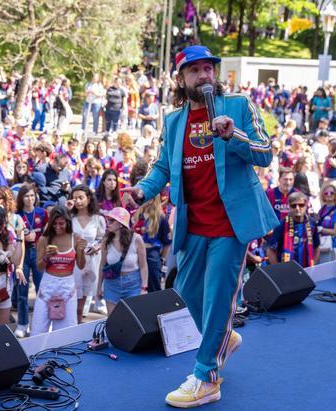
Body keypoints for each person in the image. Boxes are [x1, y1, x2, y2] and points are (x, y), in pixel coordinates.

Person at [122, 45, 278, 408]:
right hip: (192, 224)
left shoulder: (238, 105)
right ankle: (224, 337)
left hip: (230, 223)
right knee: (188, 290)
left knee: (218, 298)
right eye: (195, 71)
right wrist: (143, 190)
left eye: (209, 68)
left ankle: (207, 376)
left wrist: (233, 135)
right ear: (181, 79)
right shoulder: (173, 121)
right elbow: (163, 166)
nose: (205, 75)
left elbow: (266, 152)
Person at [31, 206, 87, 335]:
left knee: (66, 332)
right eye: (54, 223)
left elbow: (81, 265)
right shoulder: (44, 239)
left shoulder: (76, 238)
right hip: (48, 285)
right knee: (39, 329)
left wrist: (81, 250)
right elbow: (39, 267)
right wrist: (46, 257)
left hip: (67, 286)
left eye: (61, 223)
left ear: (68, 222)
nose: (57, 227)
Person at [97, 206, 149, 313]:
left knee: (132, 321)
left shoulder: (136, 239)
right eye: (107, 219)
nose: (108, 222)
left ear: (121, 223)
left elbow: (143, 266)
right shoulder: (106, 240)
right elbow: (102, 265)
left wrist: (144, 287)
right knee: (112, 321)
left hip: (133, 283)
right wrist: (98, 287)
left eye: (112, 220)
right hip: (111, 283)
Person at [14, 183, 47, 337]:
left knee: (42, 289)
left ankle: (41, 322)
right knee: (22, 290)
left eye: (32, 195)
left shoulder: (42, 213)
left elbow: (47, 233)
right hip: (23, 253)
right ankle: (22, 323)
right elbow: (12, 235)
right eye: (26, 196)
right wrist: (24, 237)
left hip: (39, 252)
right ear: (21, 198)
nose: (30, 199)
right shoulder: (17, 215)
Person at [69, 185, 105, 323]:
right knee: (74, 304)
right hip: (73, 263)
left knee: (82, 306)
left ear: (88, 199)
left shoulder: (98, 219)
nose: (77, 201)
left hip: (91, 262)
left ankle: (78, 329)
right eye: (74, 198)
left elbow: (103, 239)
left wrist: (97, 246)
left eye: (80, 198)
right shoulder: (69, 218)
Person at [266, 192, 319, 267]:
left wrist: (314, 266)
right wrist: (278, 269)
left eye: (301, 205)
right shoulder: (282, 224)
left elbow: (317, 247)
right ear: (289, 206)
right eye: (293, 205)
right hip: (287, 271)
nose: (297, 208)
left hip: (308, 269)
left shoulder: (312, 223)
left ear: (306, 205)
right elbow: (270, 250)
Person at [132, 195, 172, 292]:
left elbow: (167, 243)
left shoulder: (161, 219)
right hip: (134, 254)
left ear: (152, 199)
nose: (140, 199)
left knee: (153, 290)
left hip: (152, 256)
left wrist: (162, 259)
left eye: (144, 196)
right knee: (132, 288)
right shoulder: (135, 215)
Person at [316, 183, 336, 264]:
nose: (329, 195)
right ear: (323, 195)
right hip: (321, 245)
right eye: (326, 193)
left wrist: (322, 229)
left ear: (335, 195)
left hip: (332, 246)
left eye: (332, 193)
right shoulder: (322, 209)